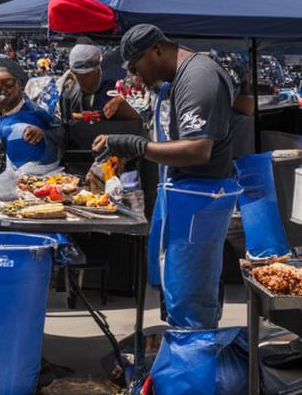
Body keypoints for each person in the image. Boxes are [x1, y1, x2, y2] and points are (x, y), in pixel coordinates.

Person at [93, 24, 236, 329]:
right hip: (181, 194)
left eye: (135, 66)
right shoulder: (174, 81)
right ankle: (182, 364)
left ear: (157, 49)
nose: (134, 76)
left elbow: (198, 149)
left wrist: (137, 146)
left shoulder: (198, 78)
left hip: (201, 200)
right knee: (175, 293)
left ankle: (195, 369)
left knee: (192, 301)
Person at [0, 58, 63, 173]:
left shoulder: (36, 111)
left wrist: (44, 134)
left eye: (7, 83)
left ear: (20, 85)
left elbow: (62, 132)